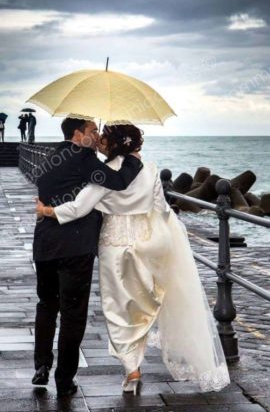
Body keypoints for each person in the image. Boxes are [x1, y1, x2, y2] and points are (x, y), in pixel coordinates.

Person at [36, 123, 230, 396]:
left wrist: (48, 210)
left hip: (114, 245)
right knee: (146, 302)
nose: (100, 141)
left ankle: (132, 368)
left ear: (114, 144)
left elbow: (80, 207)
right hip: (145, 242)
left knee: (118, 309)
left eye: (103, 138)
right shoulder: (149, 169)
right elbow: (162, 209)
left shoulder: (103, 173)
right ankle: (135, 364)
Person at [32, 117, 142, 396]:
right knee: (72, 314)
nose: (96, 135)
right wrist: (133, 159)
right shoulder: (85, 159)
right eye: (92, 130)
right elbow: (117, 181)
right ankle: (64, 380)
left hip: (44, 244)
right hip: (75, 248)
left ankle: (41, 365)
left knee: (46, 305)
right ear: (78, 134)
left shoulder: (49, 159)